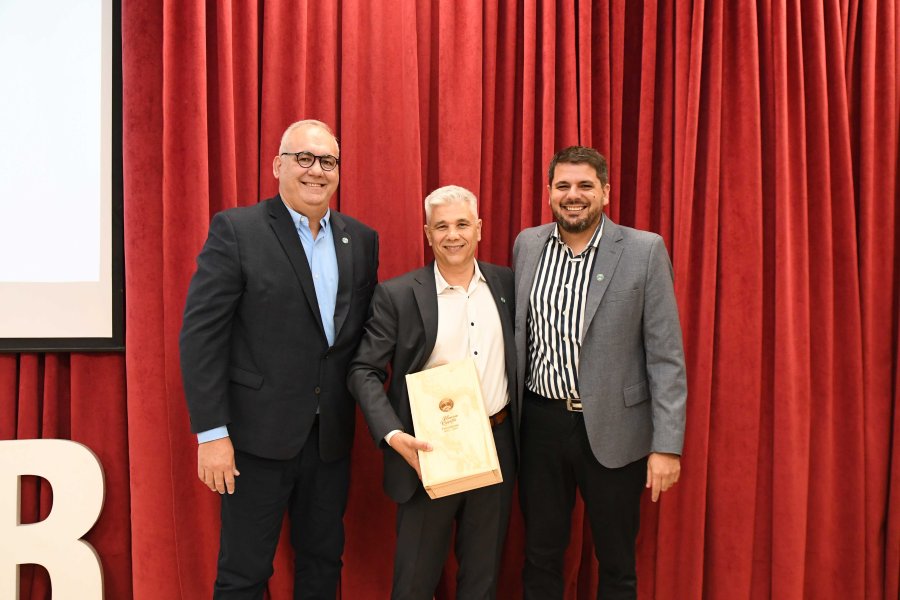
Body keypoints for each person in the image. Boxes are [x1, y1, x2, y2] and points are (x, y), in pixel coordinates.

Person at [179, 119, 379, 599]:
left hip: (330, 438)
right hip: (253, 440)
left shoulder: (362, 239)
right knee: (244, 574)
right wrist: (211, 434)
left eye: (327, 161)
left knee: (323, 564)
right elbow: (202, 336)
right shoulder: (238, 229)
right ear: (278, 166)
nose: (316, 171)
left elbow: (361, 339)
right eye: (303, 159)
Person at [514, 146, 687, 599]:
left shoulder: (645, 250)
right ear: (549, 192)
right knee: (540, 555)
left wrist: (667, 446)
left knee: (616, 562)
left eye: (585, 185)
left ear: (605, 192)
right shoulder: (527, 245)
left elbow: (666, 355)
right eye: (564, 186)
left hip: (615, 427)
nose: (574, 195)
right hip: (540, 426)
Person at [347, 185, 517, 600]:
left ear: (478, 228)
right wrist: (393, 434)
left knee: (482, 580)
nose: (452, 235)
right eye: (441, 226)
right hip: (426, 450)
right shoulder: (398, 294)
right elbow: (362, 370)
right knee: (415, 581)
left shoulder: (507, 284)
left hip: (495, 445)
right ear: (427, 233)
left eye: (462, 224)